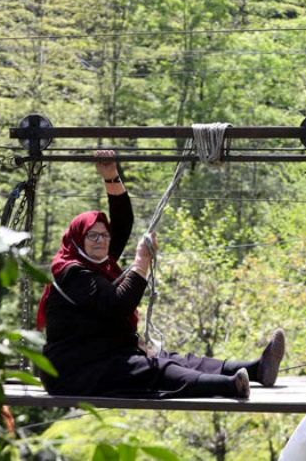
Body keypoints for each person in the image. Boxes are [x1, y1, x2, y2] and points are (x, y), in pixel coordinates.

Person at [37, 150, 285, 399]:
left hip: (106, 356)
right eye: (92, 235)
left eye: (104, 235)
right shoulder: (72, 273)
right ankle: (229, 385)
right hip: (75, 372)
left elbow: (123, 222)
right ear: (79, 240)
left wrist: (111, 176)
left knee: (175, 359)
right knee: (155, 368)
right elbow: (118, 305)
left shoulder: (99, 261)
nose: (101, 240)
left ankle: (256, 370)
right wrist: (141, 263)